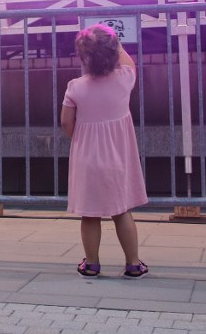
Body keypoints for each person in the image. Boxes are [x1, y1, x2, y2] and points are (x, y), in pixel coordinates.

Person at [61, 24, 148, 279]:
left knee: (89, 214)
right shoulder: (125, 79)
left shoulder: (75, 87)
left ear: (83, 58)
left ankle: (91, 264)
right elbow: (128, 61)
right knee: (121, 211)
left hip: (87, 158)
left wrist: (80, 138)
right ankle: (133, 264)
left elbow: (66, 122)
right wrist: (115, 41)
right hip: (118, 158)